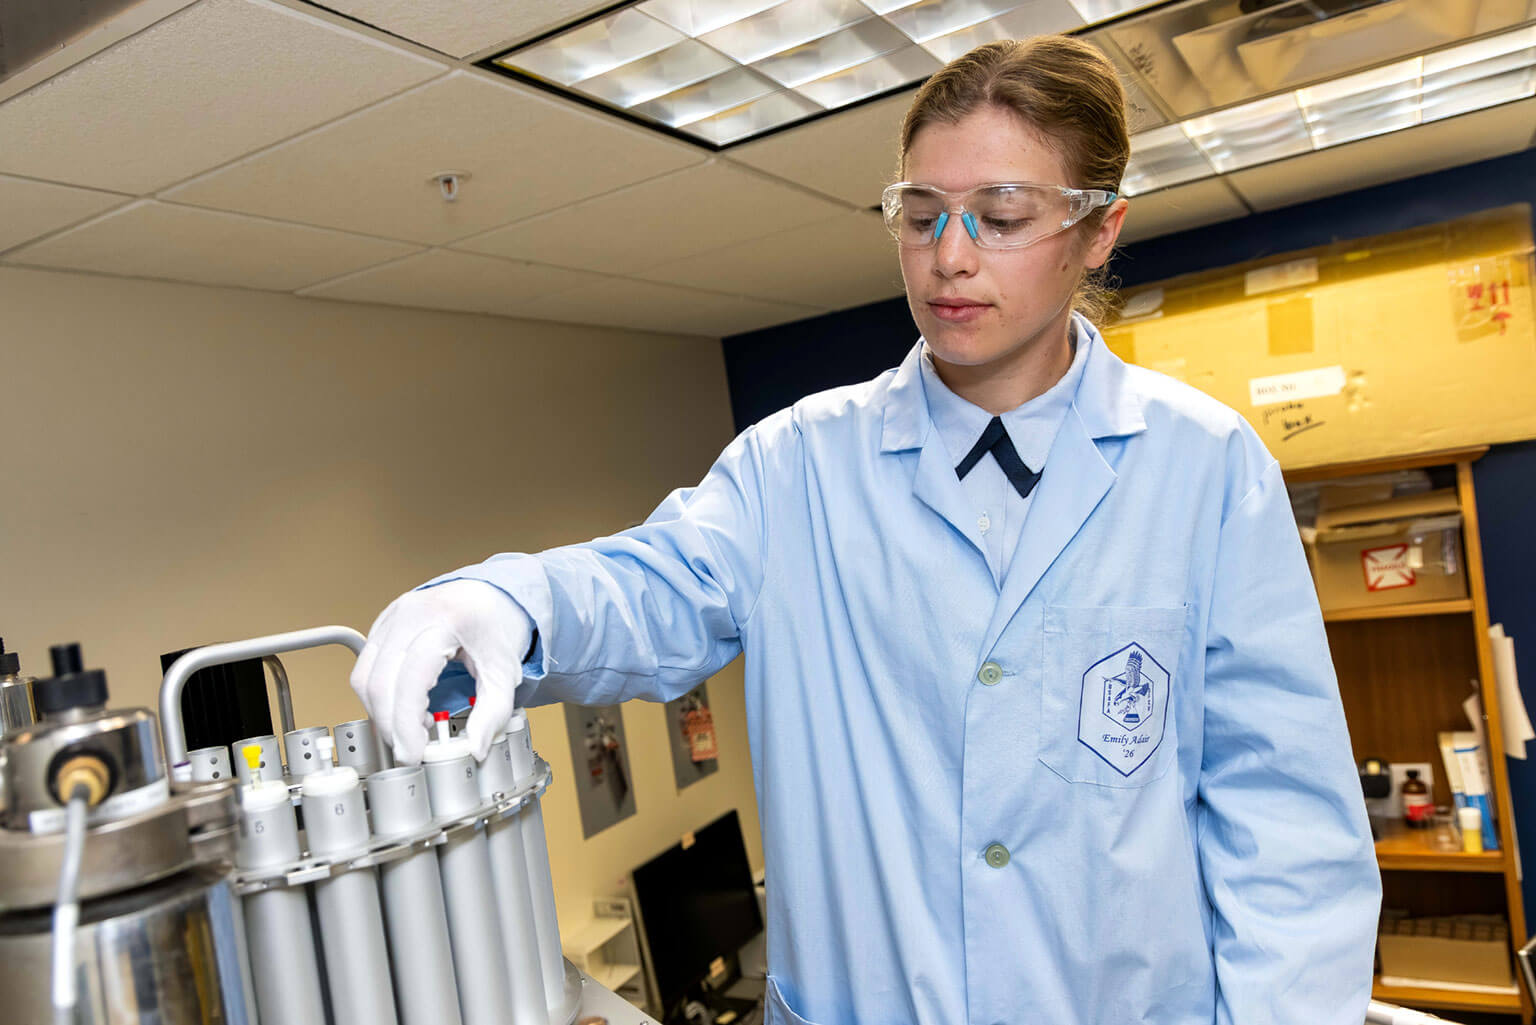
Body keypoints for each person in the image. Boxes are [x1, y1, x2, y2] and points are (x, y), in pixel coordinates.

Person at [351, 34, 1381, 1025]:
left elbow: (1286, 831)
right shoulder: (794, 466)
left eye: (1001, 214)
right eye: (920, 212)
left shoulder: (1206, 468)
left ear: (1098, 229)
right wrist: (511, 601)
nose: (949, 255)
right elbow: (654, 583)